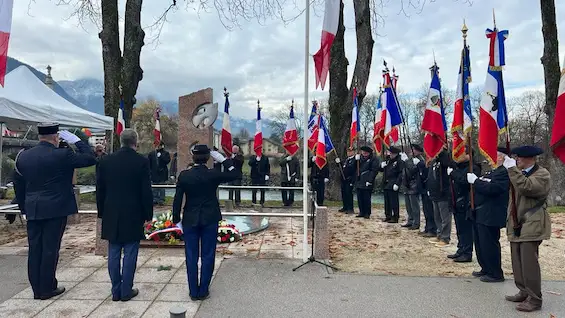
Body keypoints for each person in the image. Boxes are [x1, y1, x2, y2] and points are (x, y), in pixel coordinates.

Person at [13, 123, 96, 300]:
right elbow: (89, 158)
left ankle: (37, 288)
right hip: (55, 208)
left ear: (39, 137)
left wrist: (24, 208)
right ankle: (47, 287)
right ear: (56, 138)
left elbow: (18, 184)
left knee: (35, 249)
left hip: (33, 208)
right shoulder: (63, 155)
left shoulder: (23, 156)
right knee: (50, 249)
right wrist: (78, 142)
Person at [172, 145, 240, 300]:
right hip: (210, 218)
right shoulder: (213, 174)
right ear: (208, 158)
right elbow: (236, 174)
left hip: (190, 218)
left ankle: (193, 291)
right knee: (208, 254)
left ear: (193, 157)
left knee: (191, 255)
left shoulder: (184, 175)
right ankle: (203, 290)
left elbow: (177, 199)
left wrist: (176, 219)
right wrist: (223, 159)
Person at [95, 129, 153, 301]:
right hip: (133, 212)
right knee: (130, 251)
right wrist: (148, 213)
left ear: (121, 141)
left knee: (113, 251)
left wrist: (101, 212)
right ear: (135, 141)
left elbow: (100, 189)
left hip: (111, 210)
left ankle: (116, 290)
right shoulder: (141, 161)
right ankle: (126, 290)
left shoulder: (105, 160)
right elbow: (145, 191)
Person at [503, 146, 551, 312]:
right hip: (518, 224)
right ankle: (523, 291)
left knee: (529, 262)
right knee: (517, 260)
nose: (517, 161)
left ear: (529, 158)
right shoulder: (521, 173)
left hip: (533, 222)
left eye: (520, 159)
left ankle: (535, 299)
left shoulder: (542, 174)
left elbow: (527, 188)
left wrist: (512, 170)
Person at [465, 147, 508, 283]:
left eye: (493, 156)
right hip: (480, 212)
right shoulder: (492, 172)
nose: (489, 160)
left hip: (491, 213)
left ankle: (495, 273)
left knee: (489, 244)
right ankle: (486, 268)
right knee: (480, 243)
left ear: (501, 157)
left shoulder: (503, 173)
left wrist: (476, 181)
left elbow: (493, 189)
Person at [447, 149, 481, 263]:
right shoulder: (459, 167)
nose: (459, 155)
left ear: (469, 155)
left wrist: (453, 173)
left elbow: (464, 181)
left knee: (466, 230)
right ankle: (460, 249)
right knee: (459, 229)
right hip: (456, 202)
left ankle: (467, 253)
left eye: (462, 153)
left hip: (466, 203)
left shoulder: (474, 167)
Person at [427, 149, 453, 247]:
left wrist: (442, 153)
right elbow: (431, 176)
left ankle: (445, 237)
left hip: (444, 193)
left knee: (445, 217)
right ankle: (439, 234)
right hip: (435, 192)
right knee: (437, 216)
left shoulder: (445, 158)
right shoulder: (435, 160)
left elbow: (448, 163)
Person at [412, 144, 436, 237]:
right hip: (423, 188)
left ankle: (432, 229)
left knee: (430, 210)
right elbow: (414, 172)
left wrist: (419, 164)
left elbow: (427, 171)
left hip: (428, 188)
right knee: (426, 210)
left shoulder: (424, 160)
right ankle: (428, 228)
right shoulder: (422, 160)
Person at [355, 146, 380, 219]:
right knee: (360, 198)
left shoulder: (373, 159)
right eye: (363, 152)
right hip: (359, 180)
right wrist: (355, 160)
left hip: (367, 180)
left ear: (369, 153)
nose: (364, 153)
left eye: (366, 152)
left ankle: (367, 213)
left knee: (366, 198)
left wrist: (370, 180)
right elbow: (355, 168)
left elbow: (374, 171)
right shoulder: (359, 159)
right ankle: (361, 212)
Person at [380, 146, 403, 223]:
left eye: (392, 153)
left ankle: (395, 217)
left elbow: (401, 173)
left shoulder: (399, 161)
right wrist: (381, 166)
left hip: (393, 183)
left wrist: (397, 183)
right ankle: (388, 215)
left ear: (396, 153)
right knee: (387, 202)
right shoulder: (388, 160)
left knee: (394, 202)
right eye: (390, 153)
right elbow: (381, 170)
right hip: (386, 183)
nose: (390, 155)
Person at [400, 149, 421, 230]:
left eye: (415, 150)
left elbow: (412, 170)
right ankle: (410, 220)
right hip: (407, 185)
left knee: (414, 206)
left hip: (414, 185)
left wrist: (405, 161)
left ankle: (416, 223)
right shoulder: (410, 160)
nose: (412, 152)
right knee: (408, 206)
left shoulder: (419, 160)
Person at [336, 148, 356, 214]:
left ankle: (350, 208)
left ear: (353, 152)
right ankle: (345, 207)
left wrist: (352, 179)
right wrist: (339, 163)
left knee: (349, 194)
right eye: (348, 151)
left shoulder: (355, 160)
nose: (349, 153)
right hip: (344, 180)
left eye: (350, 151)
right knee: (344, 194)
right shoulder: (347, 160)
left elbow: (354, 171)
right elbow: (343, 168)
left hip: (349, 179)